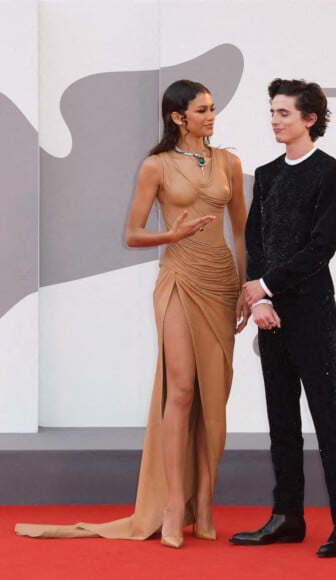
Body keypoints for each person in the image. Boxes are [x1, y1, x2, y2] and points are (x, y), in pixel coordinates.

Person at [15, 80, 249, 548]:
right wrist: (172, 236)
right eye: (202, 110)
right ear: (177, 117)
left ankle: (204, 504)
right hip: (179, 280)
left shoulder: (229, 162)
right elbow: (133, 233)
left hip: (222, 283)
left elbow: (241, 231)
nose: (211, 116)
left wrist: (247, 288)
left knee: (215, 397)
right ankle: (169, 506)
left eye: (213, 108)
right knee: (181, 388)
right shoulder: (155, 166)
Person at [229, 78, 336, 558]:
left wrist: (266, 287)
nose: (274, 120)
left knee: (328, 415)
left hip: (311, 311)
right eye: (272, 112)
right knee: (280, 416)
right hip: (269, 312)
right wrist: (259, 300)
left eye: (284, 113)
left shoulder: (332, 174)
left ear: (310, 119)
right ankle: (287, 516)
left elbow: (320, 249)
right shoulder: (266, 175)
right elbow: (255, 241)